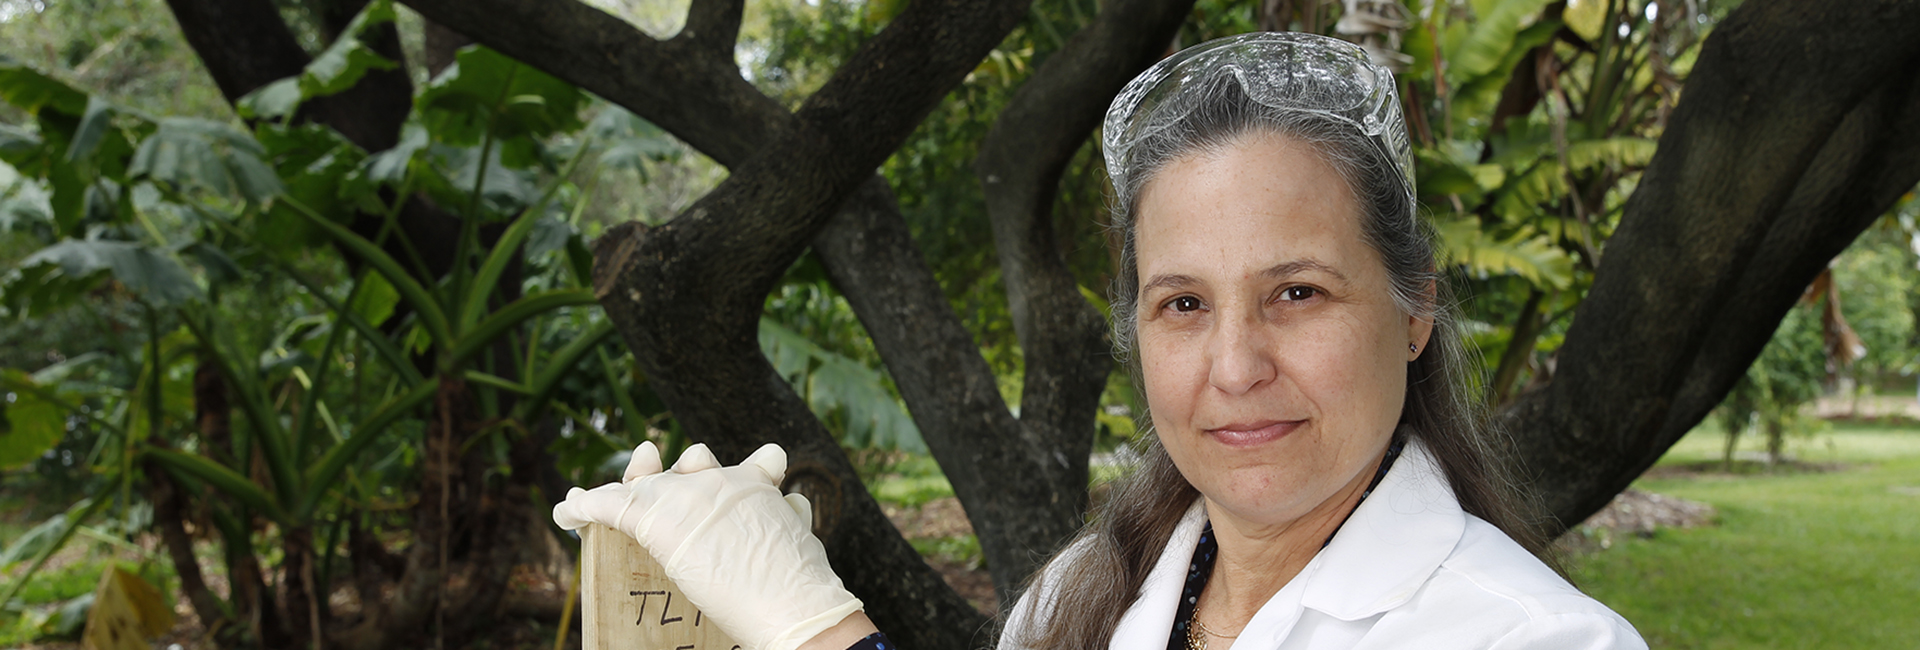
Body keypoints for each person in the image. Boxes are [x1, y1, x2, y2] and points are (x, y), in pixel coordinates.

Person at [553, 32, 1647, 650]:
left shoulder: (1537, 638)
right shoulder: (1086, 592)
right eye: (1182, 303)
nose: (1233, 366)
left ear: (1413, 312)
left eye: (1298, 291)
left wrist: (826, 635)